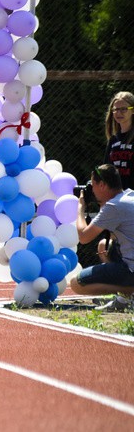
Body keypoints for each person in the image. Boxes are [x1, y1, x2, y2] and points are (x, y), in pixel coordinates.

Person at [71, 164, 134, 311]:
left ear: (103, 185)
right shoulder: (129, 195)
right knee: (103, 246)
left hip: (131, 269)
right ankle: (126, 296)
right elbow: (115, 235)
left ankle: (128, 293)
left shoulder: (113, 206)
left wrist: (80, 208)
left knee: (76, 284)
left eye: (92, 185)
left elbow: (84, 237)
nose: (91, 190)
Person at [104, 92, 134, 190]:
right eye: (115, 109)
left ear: (132, 110)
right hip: (116, 196)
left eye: (124, 109)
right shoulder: (113, 140)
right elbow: (107, 168)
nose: (119, 113)